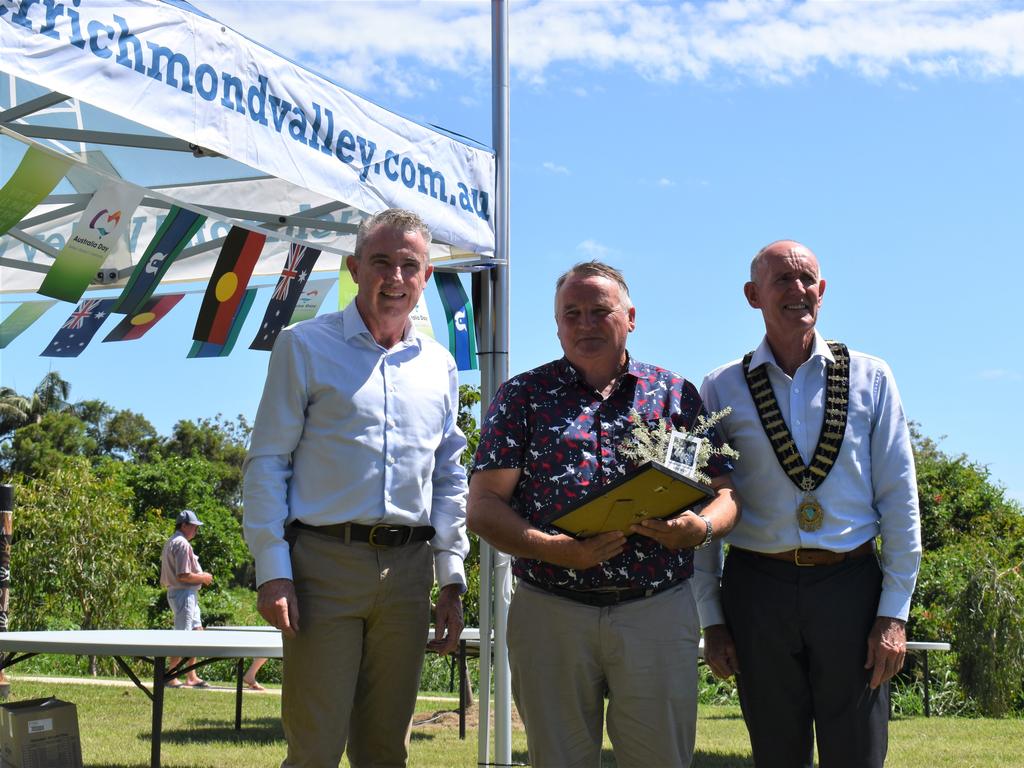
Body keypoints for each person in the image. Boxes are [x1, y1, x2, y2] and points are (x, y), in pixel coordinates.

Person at [468, 261, 740, 768]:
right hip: (552, 610)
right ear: (556, 325)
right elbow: (483, 508)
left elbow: (725, 494)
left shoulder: (674, 395)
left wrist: (697, 529)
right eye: (571, 313)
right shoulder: (523, 397)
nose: (585, 323)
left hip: (656, 608)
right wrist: (555, 549)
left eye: (599, 310)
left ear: (630, 316)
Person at [243, 208, 469, 767]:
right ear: (353, 268)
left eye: (408, 265)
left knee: (386, 749)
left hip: (411, 572)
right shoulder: (303, 346)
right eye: (381, 262)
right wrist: (274, 570)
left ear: (425, 275)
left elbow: (449, 475)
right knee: (315, 747)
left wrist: (451, 578)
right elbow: (268, 461)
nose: (394, 278)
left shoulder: (440, 365)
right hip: (322, 568)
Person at [697, 240, 922, 768]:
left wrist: (894, 614)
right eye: (782, 280)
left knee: (858, 753)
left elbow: (899, 499)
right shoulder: (721, 387)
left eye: (807, 280)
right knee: (776, 754)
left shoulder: (871, 377)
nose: (798, 290)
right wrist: (711, 618)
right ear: (753, 295)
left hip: (850, 586)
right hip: (758, 587)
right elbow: (705, 506)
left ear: (822, 291)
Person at [159, 509, 214, 688]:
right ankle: (171, 675)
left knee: (197, 632)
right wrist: (204, 577)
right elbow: (183, 575)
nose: (196, 530)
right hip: (183, 593)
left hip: (183, 593)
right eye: (194, 526)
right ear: (184, 525)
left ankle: (191, 675)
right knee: (182, 635)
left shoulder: (171, 541)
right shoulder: (182, 544)